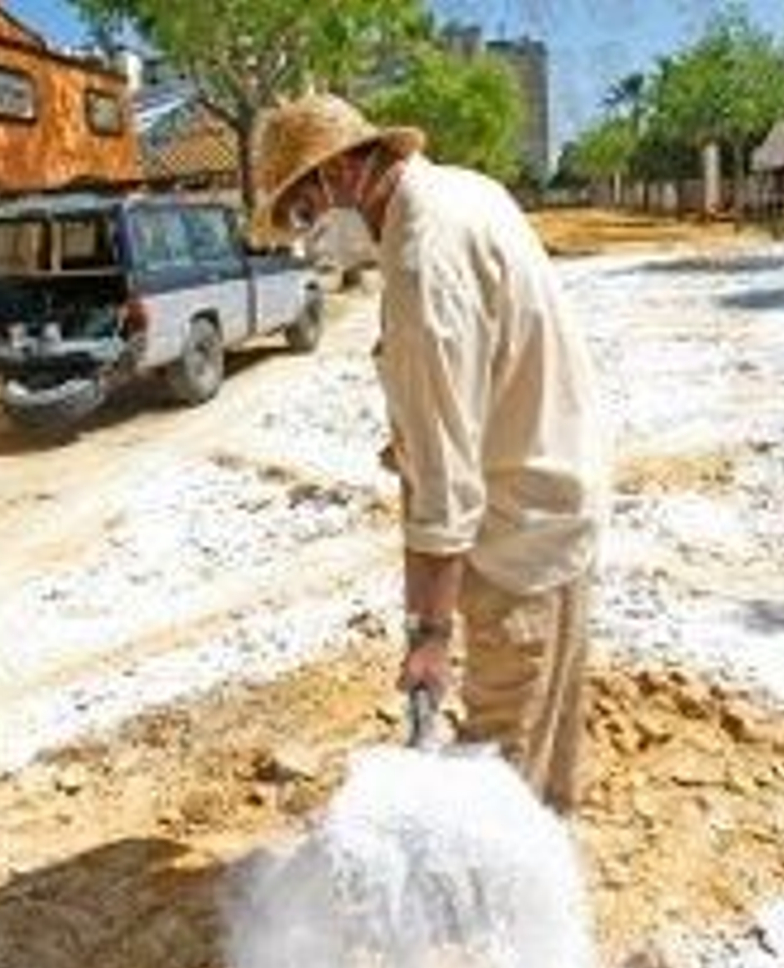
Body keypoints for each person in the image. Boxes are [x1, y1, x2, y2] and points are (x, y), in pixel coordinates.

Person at [253, 95, 606, 813]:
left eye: (301, 212)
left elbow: (445, 497)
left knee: (502, 765)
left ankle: (500, 911)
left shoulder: (420, 262)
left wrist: (430, 637)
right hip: (560, 491)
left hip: (520, 536)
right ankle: (547, 866)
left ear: (346, 172)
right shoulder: (464, 191)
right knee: (546, 736)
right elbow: (477, 376)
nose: (306, 238)